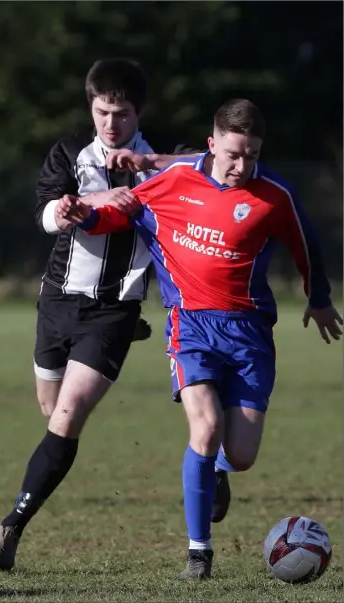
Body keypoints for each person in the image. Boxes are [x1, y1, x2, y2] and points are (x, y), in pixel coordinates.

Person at [56, 98, 342, 580]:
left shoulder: (273, 195)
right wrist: (85, 216)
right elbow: (123, 215)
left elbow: (305, 240)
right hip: (191, 326)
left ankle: (219, 471)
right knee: (204, 428)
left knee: (243, 454)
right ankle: (198, 552)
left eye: (251, 155)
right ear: (212, 145)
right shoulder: (175, 179)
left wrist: (318, 298)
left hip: (250, 334)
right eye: (233, 153)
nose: (241, 165)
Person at [0, 57, 199, 571]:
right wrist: (74, 205)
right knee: (51, 413)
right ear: (91, 107)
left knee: (67, 416)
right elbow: (43, 212)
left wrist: (150, 168)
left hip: (114, 311)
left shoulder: (159, 164)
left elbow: (210, 162)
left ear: (138, 113)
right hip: (57, 303)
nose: (111, 123)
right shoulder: (67, 152)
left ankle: (9, 528)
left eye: (121, 113)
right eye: (103, 112)